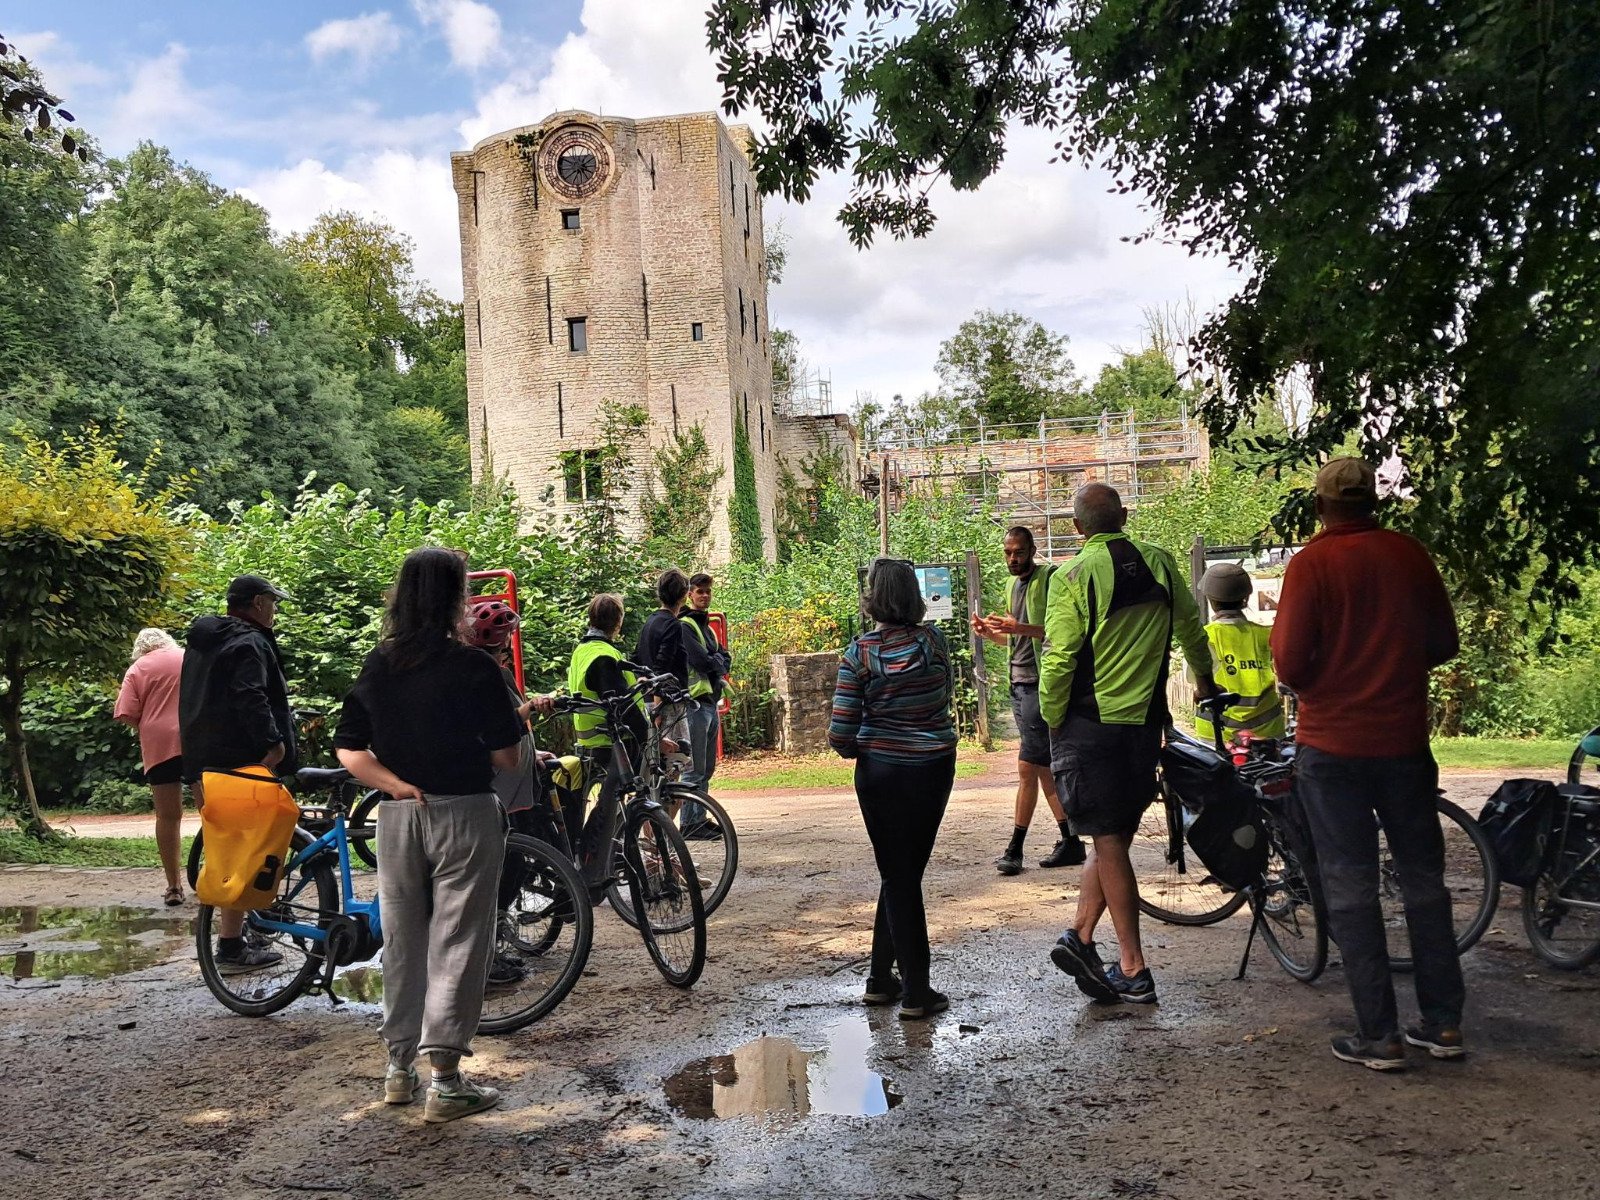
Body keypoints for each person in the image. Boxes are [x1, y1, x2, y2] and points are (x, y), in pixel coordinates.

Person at [1270, 458, 1463, 1071]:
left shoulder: (1313, 564)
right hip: (1405, 744)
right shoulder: (1411, 555)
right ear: (1371, 502)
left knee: (1351, 886)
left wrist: (1338, 673)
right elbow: (1443, 643)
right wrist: (1392, 665)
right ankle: (1444, 1023)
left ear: (1322, 505)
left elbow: (1291, 665)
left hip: (1334, 749)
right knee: (1424, 880)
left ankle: (1379, 1034)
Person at [334, 547, 524, 1122]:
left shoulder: (379, 662)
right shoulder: (473, 667)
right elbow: (508, 758)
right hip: (464, 811)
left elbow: (349, 747)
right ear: (455, 597)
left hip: (396, 816)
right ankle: (445, 1079)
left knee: (403, 940)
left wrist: (393, 783)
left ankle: (398, 1071)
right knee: (459, 940)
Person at [1041, 484, 1218, 1005]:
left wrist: (1052, 717)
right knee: (1109, 833)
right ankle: (1080, 935)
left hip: (1089, 726)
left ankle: (1133, 968)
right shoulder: (1162, 564)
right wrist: (1205, 683)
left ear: (1077, 527)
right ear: (1123, 515)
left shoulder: (1070, 576)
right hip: (1145, 726)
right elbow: (1191, 629)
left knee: (1109, 840)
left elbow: (1059, 658)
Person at [828, 557, 958, 1021]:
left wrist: (864, 745)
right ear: (915, 598)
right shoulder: (936, 644)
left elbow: (840, 734)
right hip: (933, 767)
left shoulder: (857, 655)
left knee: (897, 874)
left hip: (881, 773)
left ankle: (900, 985)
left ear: (873, 598)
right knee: (903, 873)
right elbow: (942, 699)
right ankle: (899, 985)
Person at [179, 574, 297, 973]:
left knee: (227, 848)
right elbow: (251, 695)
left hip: (202, 762)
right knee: (251, 849)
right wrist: (274, 742)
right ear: (259, 603)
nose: (275, 611)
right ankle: (230, 947)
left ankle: (238, 933)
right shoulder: (249, 642)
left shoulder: (202, 643)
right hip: (242, 762)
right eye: (273, 603)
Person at [972, 526, 1085, 875]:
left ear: (1033, 550)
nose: (1012, 559)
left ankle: (1016, 849)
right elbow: (1017, 642)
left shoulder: (1050, 579)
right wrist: (993, 634)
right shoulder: (1011, 585)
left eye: (1018, 552)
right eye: (1007, 553)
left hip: (1040, 685)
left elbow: (1062, 633)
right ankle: (1070, 840)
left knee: (1027, 767)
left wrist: (1019, 627)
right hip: (1019, 685)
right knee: (1042, 768)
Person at [114, 628, 187, 906]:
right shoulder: (188, 657)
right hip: (195, 739)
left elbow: (126, 713)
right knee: (210, 811)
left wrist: (146, 727)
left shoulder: (137, 669)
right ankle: (215, 879)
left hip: (159, 745)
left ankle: (173, 886)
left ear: (141, 649)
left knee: (168, 816)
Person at [1194, 562, 1285, 746]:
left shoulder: (1205, 637)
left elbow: (1197, 683)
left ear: (1210, 599)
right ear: (1247, 597)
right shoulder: (1266, 634)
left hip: (1216, 734)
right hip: (1267, 732)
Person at [679, 573, 731, 826]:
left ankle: (697, 819)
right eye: (700, 591)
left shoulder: (706, 627)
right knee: (694, 770)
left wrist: (717, 662)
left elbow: (724, 658)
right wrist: (717, 662)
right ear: (689, 594)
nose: (705, 596)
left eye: (708, 591)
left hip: (709, 701)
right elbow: (701, 660)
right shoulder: (686, 625)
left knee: (706, 769)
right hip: (695, 703)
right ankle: (690, 823)